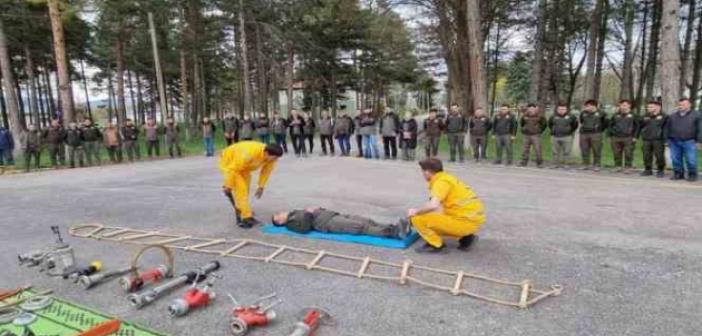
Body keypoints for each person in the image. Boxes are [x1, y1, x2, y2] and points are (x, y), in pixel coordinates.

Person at [408, 158, 485, 253]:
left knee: (417, 219)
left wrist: (415, 212)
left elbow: (433, 206)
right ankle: (466, 238)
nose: (422, 174)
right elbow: (435, 207)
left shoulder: (440, 183)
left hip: (466, 222)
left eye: (422, 171)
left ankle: (436, 245)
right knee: (431, 216)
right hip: (471, 220)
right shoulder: (447, 178)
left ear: (427, 172)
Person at [219, 142, 284, 228]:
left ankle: (242, 209)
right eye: (274, 158)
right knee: (241, 190)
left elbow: (266, 172)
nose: (275, 160)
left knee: (245, 189)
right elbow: (233, 169)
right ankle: (246, 217)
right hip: (229, 162)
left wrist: (261, 186)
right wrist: (228, 185)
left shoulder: (271, 158)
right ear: (266, 153)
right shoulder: (249, 154)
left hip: (243, 167)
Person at [272, 207, 410, 239]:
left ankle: (395, 227)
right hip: (328, 223)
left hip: (332, 215)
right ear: (279, 221)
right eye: (278, 215)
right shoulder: (291, 224)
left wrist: (316, 209)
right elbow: (304, 229)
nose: (280, 213)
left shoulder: (294, 212)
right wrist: (309, 212)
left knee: (365, 220)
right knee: (360, 227)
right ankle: (396, 234)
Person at [667, 98, 702, 181]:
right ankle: (678, 173)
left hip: (690, 141)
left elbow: (700, 129)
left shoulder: (697, 115)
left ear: (689, 105)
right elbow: (668, 128)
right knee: (675, 159)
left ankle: (692, 174)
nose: (681, 106)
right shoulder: (673, 116)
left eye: (683, 104)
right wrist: (668, 139)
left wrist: (699, 141)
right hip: (674, 141)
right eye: (680, 105)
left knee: (691, 159)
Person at [608, 100, 640, 174]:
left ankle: (628, 167)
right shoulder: (615, 115)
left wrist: (635, 136)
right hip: (616, 137)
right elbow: (610, 125)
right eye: (621, 105)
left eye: (625, 105)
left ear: (629, 106)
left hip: (628, 137)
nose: (623, 107)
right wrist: (610, 135)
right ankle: (617, 166)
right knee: (616, 152)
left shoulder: (633, 115)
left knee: (628, 152)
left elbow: (637, 127)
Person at [638, 101, 667, 177]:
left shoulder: (664, 116)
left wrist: (665, 139)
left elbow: (666, 128)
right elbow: (640, 125)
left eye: (651, 107)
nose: (649, 108)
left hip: (658, 139)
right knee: (646, 155)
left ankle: (660, 170)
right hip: (646, 139)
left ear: (657, 107)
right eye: (648, 107)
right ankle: (648, 169)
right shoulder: (645, 116)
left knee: (659, 156)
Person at [579, 99, 608, 171]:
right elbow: (581, 121)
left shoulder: (602, 113)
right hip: (584, 133)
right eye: (586, 106)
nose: (586, 107)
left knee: (596, 149)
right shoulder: (583, 113)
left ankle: (597, 164)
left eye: (588, 106)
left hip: (596, 134)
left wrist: (600, 129)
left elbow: (606, 123)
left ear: (593, 106)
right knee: (584, 149)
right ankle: (585, 164)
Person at [548, 102, 579, 168]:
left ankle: (566, 164)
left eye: (563, 109)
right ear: (557, 109)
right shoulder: (553, 116)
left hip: (567, 136)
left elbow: (575, 125)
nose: (561, 111)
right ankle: (554, 164)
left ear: (566, 109)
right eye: (560, 109)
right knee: (555, 152)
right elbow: (550, 124)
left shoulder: (571, 116)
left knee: (567, 151)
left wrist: (570, 131)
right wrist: (554, 130)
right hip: (555, 136)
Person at [519, 103, 547, 168]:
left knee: (538, 149)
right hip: (526, 135)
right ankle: (523, 162)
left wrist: (540, 130)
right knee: (525, 149)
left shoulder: (540, 116)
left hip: (536, 135)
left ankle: (539, 163)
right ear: (528, 108)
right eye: (529, 108)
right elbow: (522, 123)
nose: (531, 109)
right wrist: (524, 129)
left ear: (535, 108)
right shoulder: (524, 115)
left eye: (532, 108)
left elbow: (544, 124)